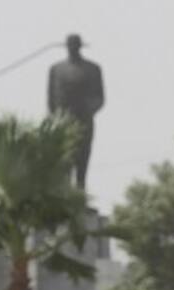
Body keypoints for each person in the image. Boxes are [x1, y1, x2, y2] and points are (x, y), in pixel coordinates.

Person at [48, 34, 105, 190]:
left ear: (80, 46)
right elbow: (51, 99)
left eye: (75, 45)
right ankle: (65, 196)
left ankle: (80, 195)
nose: (72, 48)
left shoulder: (93, 69)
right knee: (64, 161)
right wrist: (57, 119)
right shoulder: (56, 69)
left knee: (83, 160)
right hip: (63, 123)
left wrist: (87, 110)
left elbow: (100, 98)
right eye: (69, 45)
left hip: (84, 121)